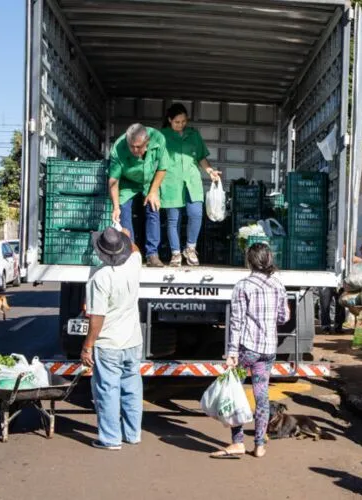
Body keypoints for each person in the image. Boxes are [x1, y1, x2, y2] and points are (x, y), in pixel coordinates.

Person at [212, 243, 290, 459]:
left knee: (234, 391)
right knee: (261, 394)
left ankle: (237, 441)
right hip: (268, 349)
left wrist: (232, 352)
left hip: (247, 348)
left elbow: (236, 323)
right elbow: (284, 317)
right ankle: (259, 445)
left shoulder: (243, 286)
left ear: (250, 261)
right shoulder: (278, 285)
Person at [81, 227, 144, 450]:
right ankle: (133, 433)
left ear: (101, 253)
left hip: (109, 343)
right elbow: (136, 251)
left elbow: (97, 317)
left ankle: (110, 438)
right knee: (132, 386)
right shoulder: (134, 265)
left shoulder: (99, 277)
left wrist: (88, 345)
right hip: (133, 340)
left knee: (108, 390)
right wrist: (126, 235)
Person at [160, 104, 220, 266]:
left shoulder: (194, 135)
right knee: (173, 220)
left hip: (192, 181)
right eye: (177, 122)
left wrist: (210, 171)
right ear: (169, 120)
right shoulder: (161, 136)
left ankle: (190, 248)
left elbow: (201, 157)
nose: (181, 125)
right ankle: (175, 253)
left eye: (183, 121)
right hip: (171, 182)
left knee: (196, 214)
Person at [108, 123, 173, 267]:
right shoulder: (118, 148)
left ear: (147, 142)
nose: (134, 150)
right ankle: (130, 252)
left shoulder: (158, 139)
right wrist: (116, 206)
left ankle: (152, 254)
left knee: (153, 208)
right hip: (127, 183)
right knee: (123, 212)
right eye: (132, 146)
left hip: (149, 181)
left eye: (138, 147)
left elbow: (162, 168)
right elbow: (113, 180)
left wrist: (153, 191)